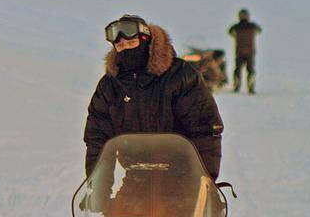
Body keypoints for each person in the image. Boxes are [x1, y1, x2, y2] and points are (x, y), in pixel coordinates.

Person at [84, 14, 224, 181]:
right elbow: (97, 138)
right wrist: (98, 189)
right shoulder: (110, 85)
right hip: (135, 179)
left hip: (181, 181)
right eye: (120, 46)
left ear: (146, 40)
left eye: (132, 43)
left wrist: (204, 183)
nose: (126, 49)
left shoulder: (180, 77)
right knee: (119, 208)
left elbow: (205, 130)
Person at [228, 8, 262, 94]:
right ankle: (250, 88)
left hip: (239, 52)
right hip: (249, 52)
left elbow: (230, 33)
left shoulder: (236, 27)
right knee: (250, 71)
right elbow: (259, 31)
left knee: (238, 70)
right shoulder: (252, 26)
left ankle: (237, 87)